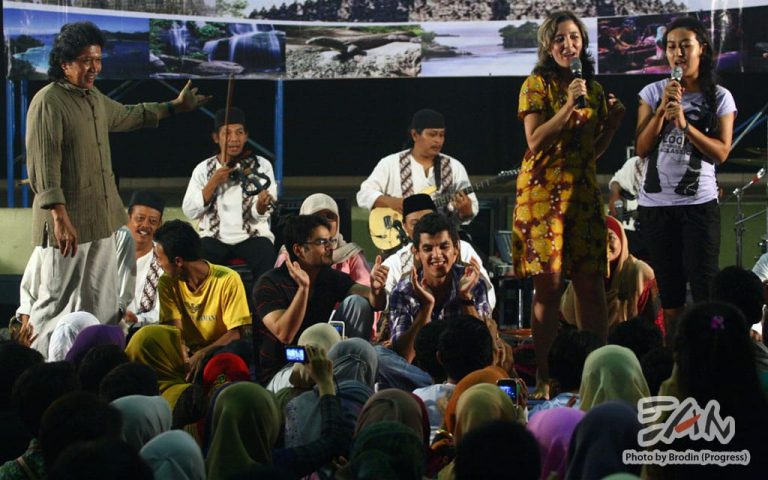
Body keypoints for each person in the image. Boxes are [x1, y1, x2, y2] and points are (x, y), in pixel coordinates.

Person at [23, 21, 209, 357]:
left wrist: (174, 107)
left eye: (97, 59)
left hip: (102, 220)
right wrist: (58, 215)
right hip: (67, 223)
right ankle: (39, 370)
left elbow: (128, 114)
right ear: (64, 63)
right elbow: (42, 164)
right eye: (85, 61)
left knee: (101, 300)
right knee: (54, 301)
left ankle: (97, 364)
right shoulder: (48, 102)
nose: (94, 68)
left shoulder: (92, 98)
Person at [512, 10, 625, 398]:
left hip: (581, 193)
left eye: (574, 38)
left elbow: (589, 152)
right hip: (543, 196)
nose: (568, 45)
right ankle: (545, 376)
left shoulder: (592, 88)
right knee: (550, 285)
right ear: (547, 45)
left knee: (591, 284)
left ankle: (599, 373)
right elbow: (536, 141)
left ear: (583, 43)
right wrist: (567, 106)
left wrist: (610, 126)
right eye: (559, 39)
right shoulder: (535, 84)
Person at [635, 16, 736, 343]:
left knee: (706, 289)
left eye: (685, 46)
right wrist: (664, 109)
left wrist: (685, 125)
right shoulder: (652, 93)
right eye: (671, 47)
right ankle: (674, 361)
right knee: (671, 294)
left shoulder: (719, 97)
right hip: (656, 207)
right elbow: (641, 147)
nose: (677, 53)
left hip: (698, 206)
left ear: (702, 49)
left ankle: (713, 352)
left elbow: (721, 152)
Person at [252, 214, 387, 384]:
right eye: (322, 242)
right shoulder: (269, 284)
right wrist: (303, 289)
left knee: (358, 303)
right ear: (299, 250)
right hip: (284, 370)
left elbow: (377, 302)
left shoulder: (328, 277)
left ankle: (352, 371)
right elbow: (284, 334)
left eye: (331, 241)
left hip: (323, 363)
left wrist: (376, 289)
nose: (330, 247)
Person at [182, 107, 277, 281]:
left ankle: (262, 306)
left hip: (252, 236)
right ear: (216, 137)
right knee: (196, 259)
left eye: (239, 132)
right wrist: (213, 182)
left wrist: (261, 206)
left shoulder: (261, 165)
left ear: (246, 136)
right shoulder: (204, 169)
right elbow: (189, 211)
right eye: (227, 133)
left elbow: (261, 214)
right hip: (213, 238)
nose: (234, 139)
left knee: (266, 253)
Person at [389, 213, 492, 363]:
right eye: (428, 248)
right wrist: (426, 307)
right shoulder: (403, 291)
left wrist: (465, 298)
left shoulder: (473, 284)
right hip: (418, 375)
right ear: (416, 253)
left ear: (456, 249)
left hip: (464, 371)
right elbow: (404, 357)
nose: (437, 255)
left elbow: (485, 351)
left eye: (444, 247)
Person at [154, 220, 252, 378]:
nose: (158, 264)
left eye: (160, 258)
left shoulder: (228, 279)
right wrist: (184, 356)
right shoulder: (167, 283)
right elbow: (175, 331)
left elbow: (235, 334)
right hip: (187, 352)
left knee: (238, 349)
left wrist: (202, 354)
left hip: (218, 350)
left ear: (178, 261)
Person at [356, 109, 478, 223]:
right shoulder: (390, 164)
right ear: (415, 135)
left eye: (441, 135)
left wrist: (465, 209)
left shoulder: (455, 167)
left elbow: (468, 215)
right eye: (432, 134)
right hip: (400, 240)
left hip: (441, 242)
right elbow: (364, 194)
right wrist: (391, 202)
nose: (438, 140)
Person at [382, 194, 495, 309]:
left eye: (428, 219)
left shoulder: (463, 249)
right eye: (415, 223)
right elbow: (386, 304)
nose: (424, 225)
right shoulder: (396, 262)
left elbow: (488, 295)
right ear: (404, 226)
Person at [561, 215, 661, 330]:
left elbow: (654, 321)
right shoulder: (583, 274)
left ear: (622, 240)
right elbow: (565, 317)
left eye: (610, 237)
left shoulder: (639, 272)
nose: (603, 246)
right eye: (596, 240)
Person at [276, 193, 370, 284]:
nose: (325, 221)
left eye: (330, 216)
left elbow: (365, 287)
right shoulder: (289, 254)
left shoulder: (351, 254)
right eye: (318, 217)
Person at [123, 191, 166, 328]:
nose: (146, 225)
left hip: (143, 329)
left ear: (159, 224)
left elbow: (162, 310)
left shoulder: (163, 261)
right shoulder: (111, 252)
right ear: (128, 218)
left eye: (153, 221)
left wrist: (137, 319)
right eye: (140, 218)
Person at [607, 155, 648, 260]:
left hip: (647, 233)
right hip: (628, 230)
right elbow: (616, 181)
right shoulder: (635, 162)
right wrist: (615, 195)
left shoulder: (667, 166)